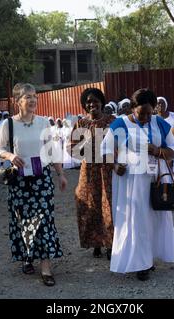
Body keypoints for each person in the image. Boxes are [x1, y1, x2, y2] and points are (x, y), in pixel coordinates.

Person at [101, 88, 174, 281]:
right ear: (132, 108)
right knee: (136, 220)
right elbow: (105, 150)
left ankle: (150, 257)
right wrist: (114, 165)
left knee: (154, 218)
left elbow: (173, 151)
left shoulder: (160, 123)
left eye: (149, 112)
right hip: (130, 181)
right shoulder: (120, 124)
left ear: (154, 109)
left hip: (156, 179)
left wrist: (157, 151)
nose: (145, 117)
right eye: (140, 113)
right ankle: (140, 263)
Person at [0, 83, 67, 287]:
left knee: (44, 221)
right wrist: (10, 155)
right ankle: (28, 257)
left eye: (35, 96)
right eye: (28, 97)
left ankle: (45, 267)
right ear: (18, 101)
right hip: (19, 181)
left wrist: (60, 174)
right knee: (24, 221)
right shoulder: (8, 124)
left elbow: (52, 149)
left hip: (41, 179)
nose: (33, 100)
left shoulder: (44, 122)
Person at [69, 88, 116, 260]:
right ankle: (95, 242)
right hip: (88, 171)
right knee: (89, 205)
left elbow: (122, 143)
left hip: (108, 170)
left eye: (95, 100)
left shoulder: (112, 121)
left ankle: (111, 243)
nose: (92, 104)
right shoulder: (80, 124)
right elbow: (73, 151)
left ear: (102, 102)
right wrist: (85, 143)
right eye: (88, 101)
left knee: (109, 206)